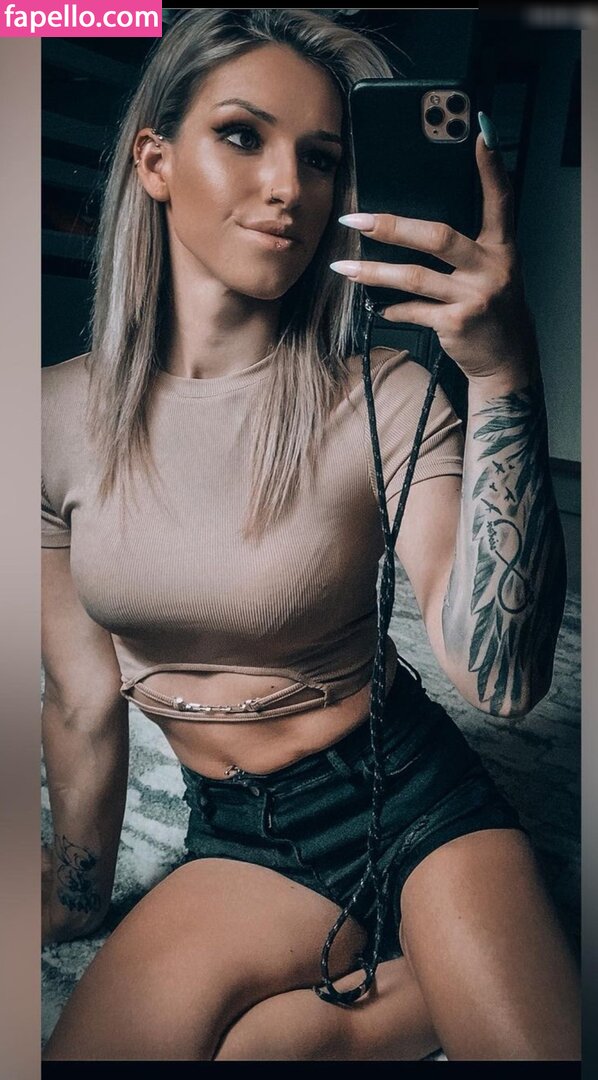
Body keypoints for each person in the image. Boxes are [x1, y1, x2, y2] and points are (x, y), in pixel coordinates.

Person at [41, 8, 581, 1061]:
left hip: (414, 802)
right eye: (243, 135)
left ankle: (432, 964)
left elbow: (504, 682)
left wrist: (501, 371)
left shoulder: (388, 393)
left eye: (322, 158)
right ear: (154, 161)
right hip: (243, 833)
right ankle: (386, 1001)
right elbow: (80, 698)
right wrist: (76, 892)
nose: (289, 184)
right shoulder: (47, 420)